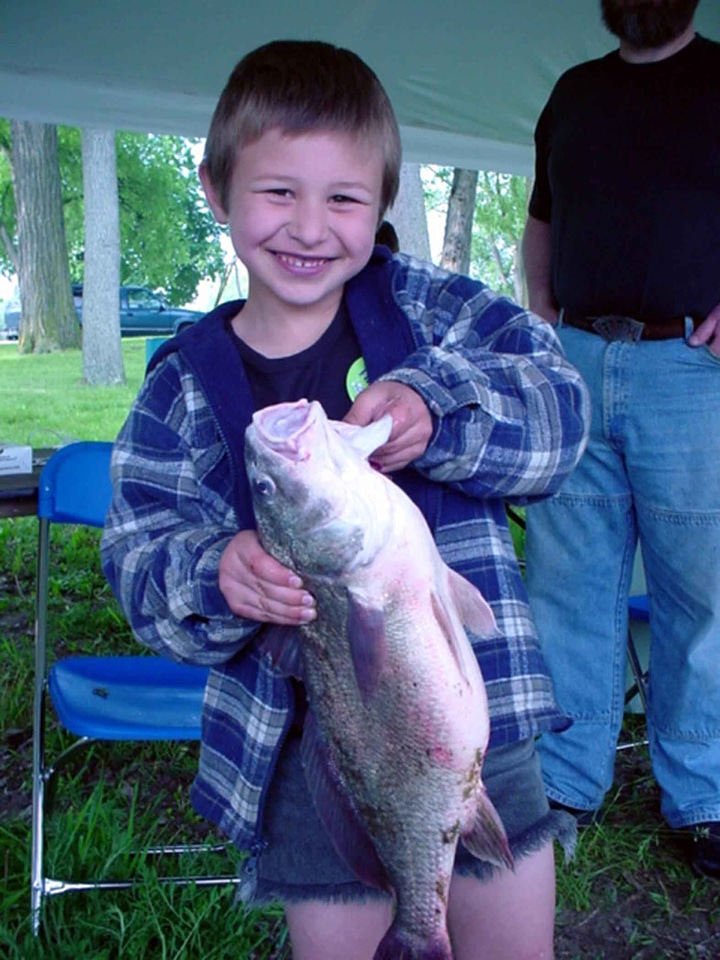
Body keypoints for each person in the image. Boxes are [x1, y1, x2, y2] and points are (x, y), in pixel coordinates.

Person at [101, 39, 589, 959]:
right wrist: (215, 574)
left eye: (346, 198)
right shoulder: (183, 387)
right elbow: (135, 557)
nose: (311, 227)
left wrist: (440, 411)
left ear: (384, 204)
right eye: (279, 192)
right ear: (217, 190)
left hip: (481, 743)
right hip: (300, 760)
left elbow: (563, 412)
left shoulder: (434, 312)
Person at [522, 0, 720, 879]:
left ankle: (703, 795)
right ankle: (563, 785)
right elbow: (542, 222)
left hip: (690, 367)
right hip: (576, 359)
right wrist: (544, 315)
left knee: (702, 591)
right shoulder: (572, 94)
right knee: (566, 582)